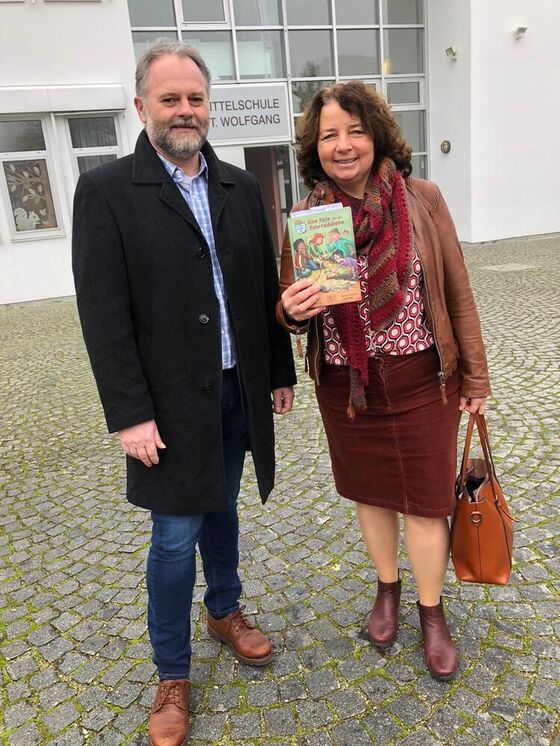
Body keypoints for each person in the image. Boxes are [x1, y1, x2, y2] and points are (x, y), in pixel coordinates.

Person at [72, 41, 296, 745]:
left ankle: (225, 610)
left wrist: (279, 373)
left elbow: (263, 288)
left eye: (195, 98)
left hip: (235, 392)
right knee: (173, 540)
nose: (184, 110)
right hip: (166, 409)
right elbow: (103, 315)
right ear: (141, 107)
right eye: (169, 98)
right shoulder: (107, 192)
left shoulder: (238, 187)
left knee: (224, 508)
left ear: (209, 106)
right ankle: (172, 673)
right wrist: (129, 413)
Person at [276, 81, 490, 682]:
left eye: (355, 130)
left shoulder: (422, 198)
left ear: (378, 135)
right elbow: (288, 309)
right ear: (313, 147)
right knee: (370, 494)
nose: (343, 146)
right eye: (329, 135)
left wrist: (475, 374)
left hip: (425, 380)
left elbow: (456, 291)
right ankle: (387, 588)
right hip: (348, 388)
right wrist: (291, 310)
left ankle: (431, 611)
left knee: (425, 502)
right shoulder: (308, 216)